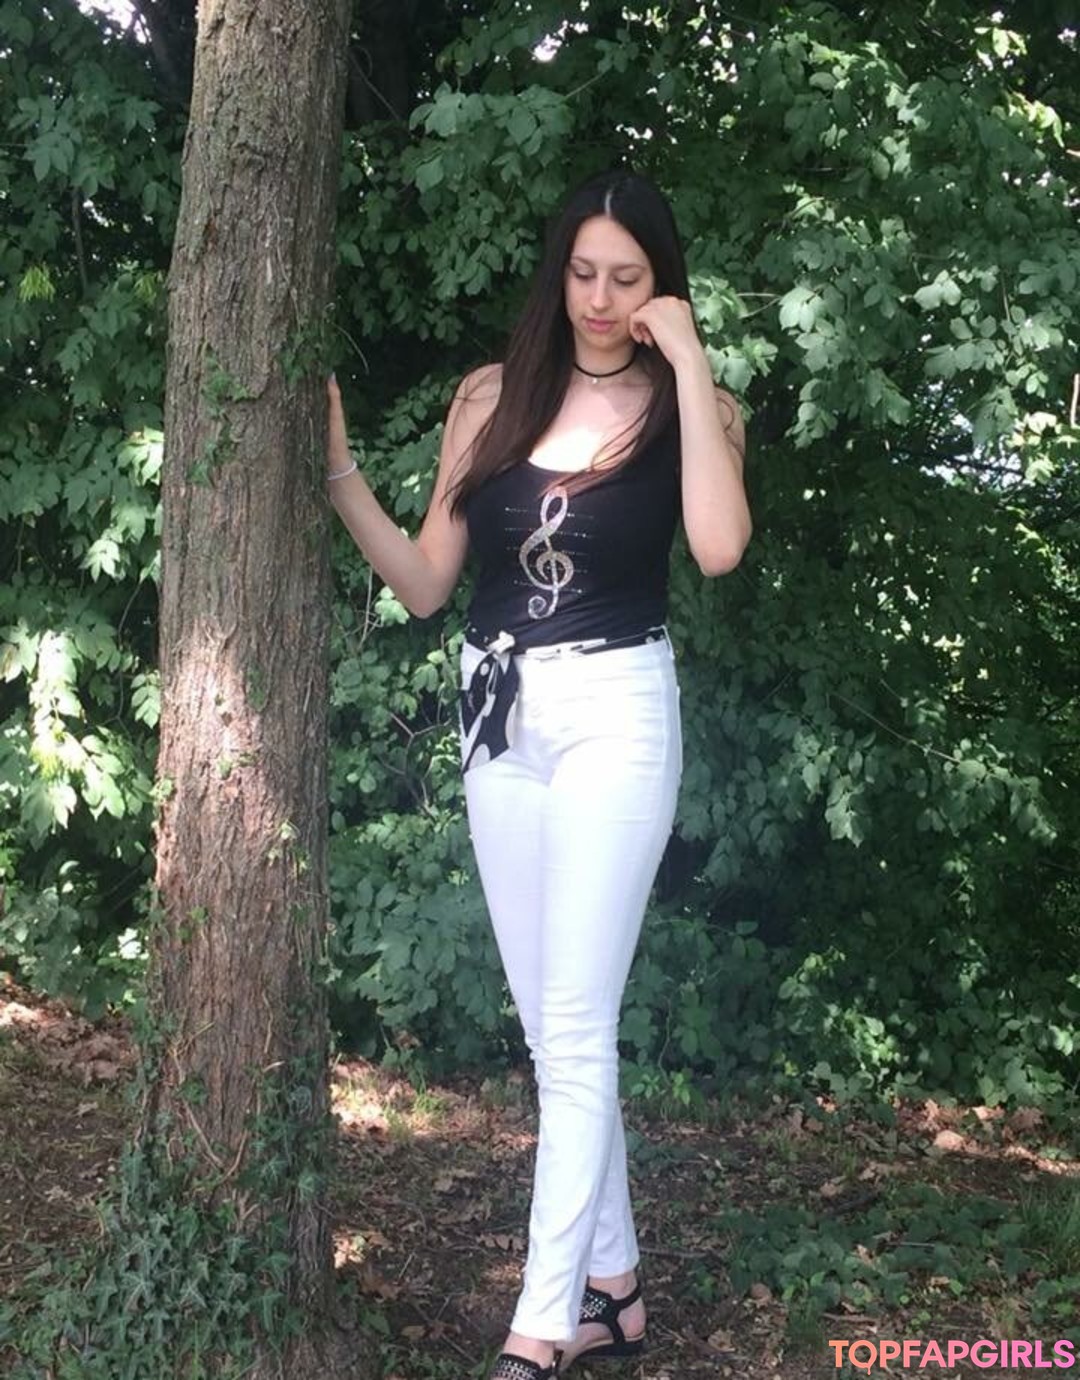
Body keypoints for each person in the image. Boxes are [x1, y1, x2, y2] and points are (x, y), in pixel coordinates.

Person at [326, 169, 750, 1378]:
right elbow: (426, 583)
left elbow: (719, 548)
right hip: (498, 708)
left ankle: (541, 1321)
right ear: (558, 272)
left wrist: (692, 361)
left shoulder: (694, 407)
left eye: (628, 278)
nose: (602, 299)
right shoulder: (492, 395)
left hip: (618, 709)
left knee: (572, 1024)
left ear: (661, 284)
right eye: (584, 273)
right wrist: (338, 472)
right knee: (550, 1029)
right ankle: (616, 1287)